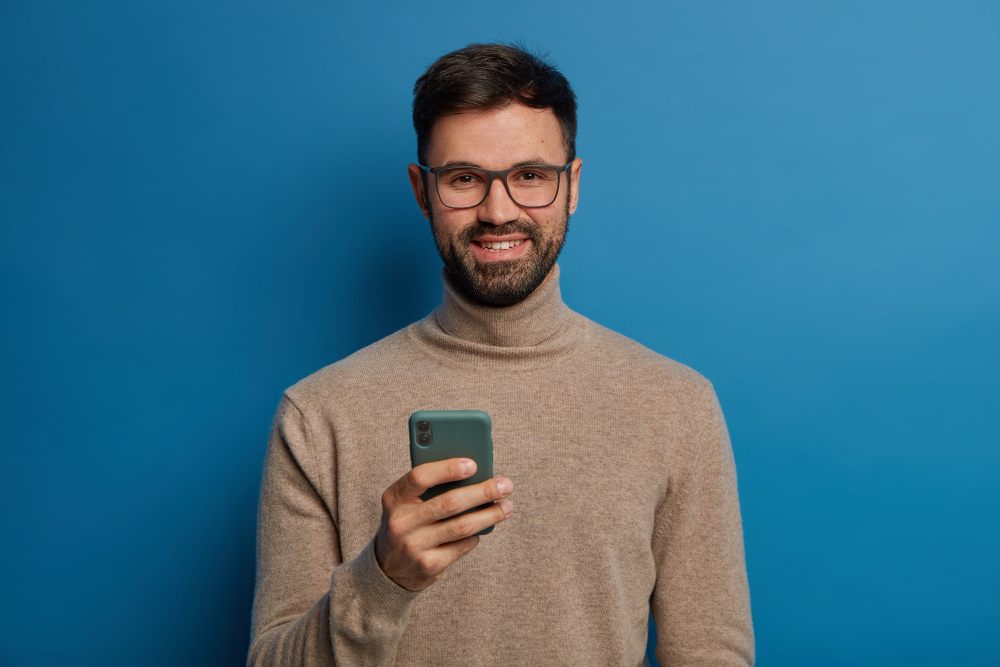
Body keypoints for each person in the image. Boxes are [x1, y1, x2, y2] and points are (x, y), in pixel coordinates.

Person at [247, 43, 754, 667]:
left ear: (571, 186)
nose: (499, 211)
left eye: (529, 176)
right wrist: (383, 578)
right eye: (464, 179)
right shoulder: (317, 414)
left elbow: (711, 655)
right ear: (421, 190)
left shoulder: (676, 405)